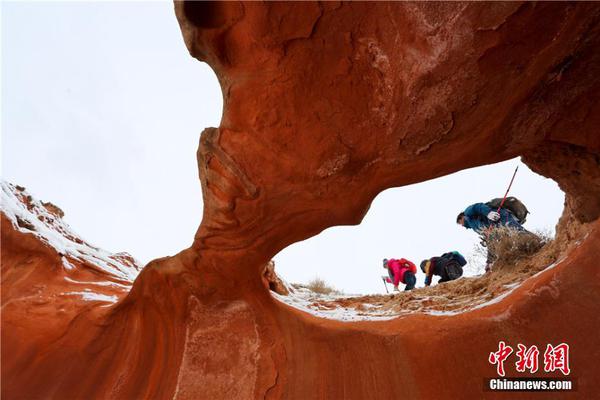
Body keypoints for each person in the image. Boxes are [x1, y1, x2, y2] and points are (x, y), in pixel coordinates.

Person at [456, 202, 526, 271]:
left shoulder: (467, 213)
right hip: (495, 228)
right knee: (495, 241)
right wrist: (489, 261)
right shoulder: (474, 226)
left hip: (499, 216)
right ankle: (491, 263)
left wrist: (489, 213)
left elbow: (477, 206)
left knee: (515, 230)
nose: (462, 225)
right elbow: (490, 240)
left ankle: (532, 241)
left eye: (460, 222)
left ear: (461, 217)